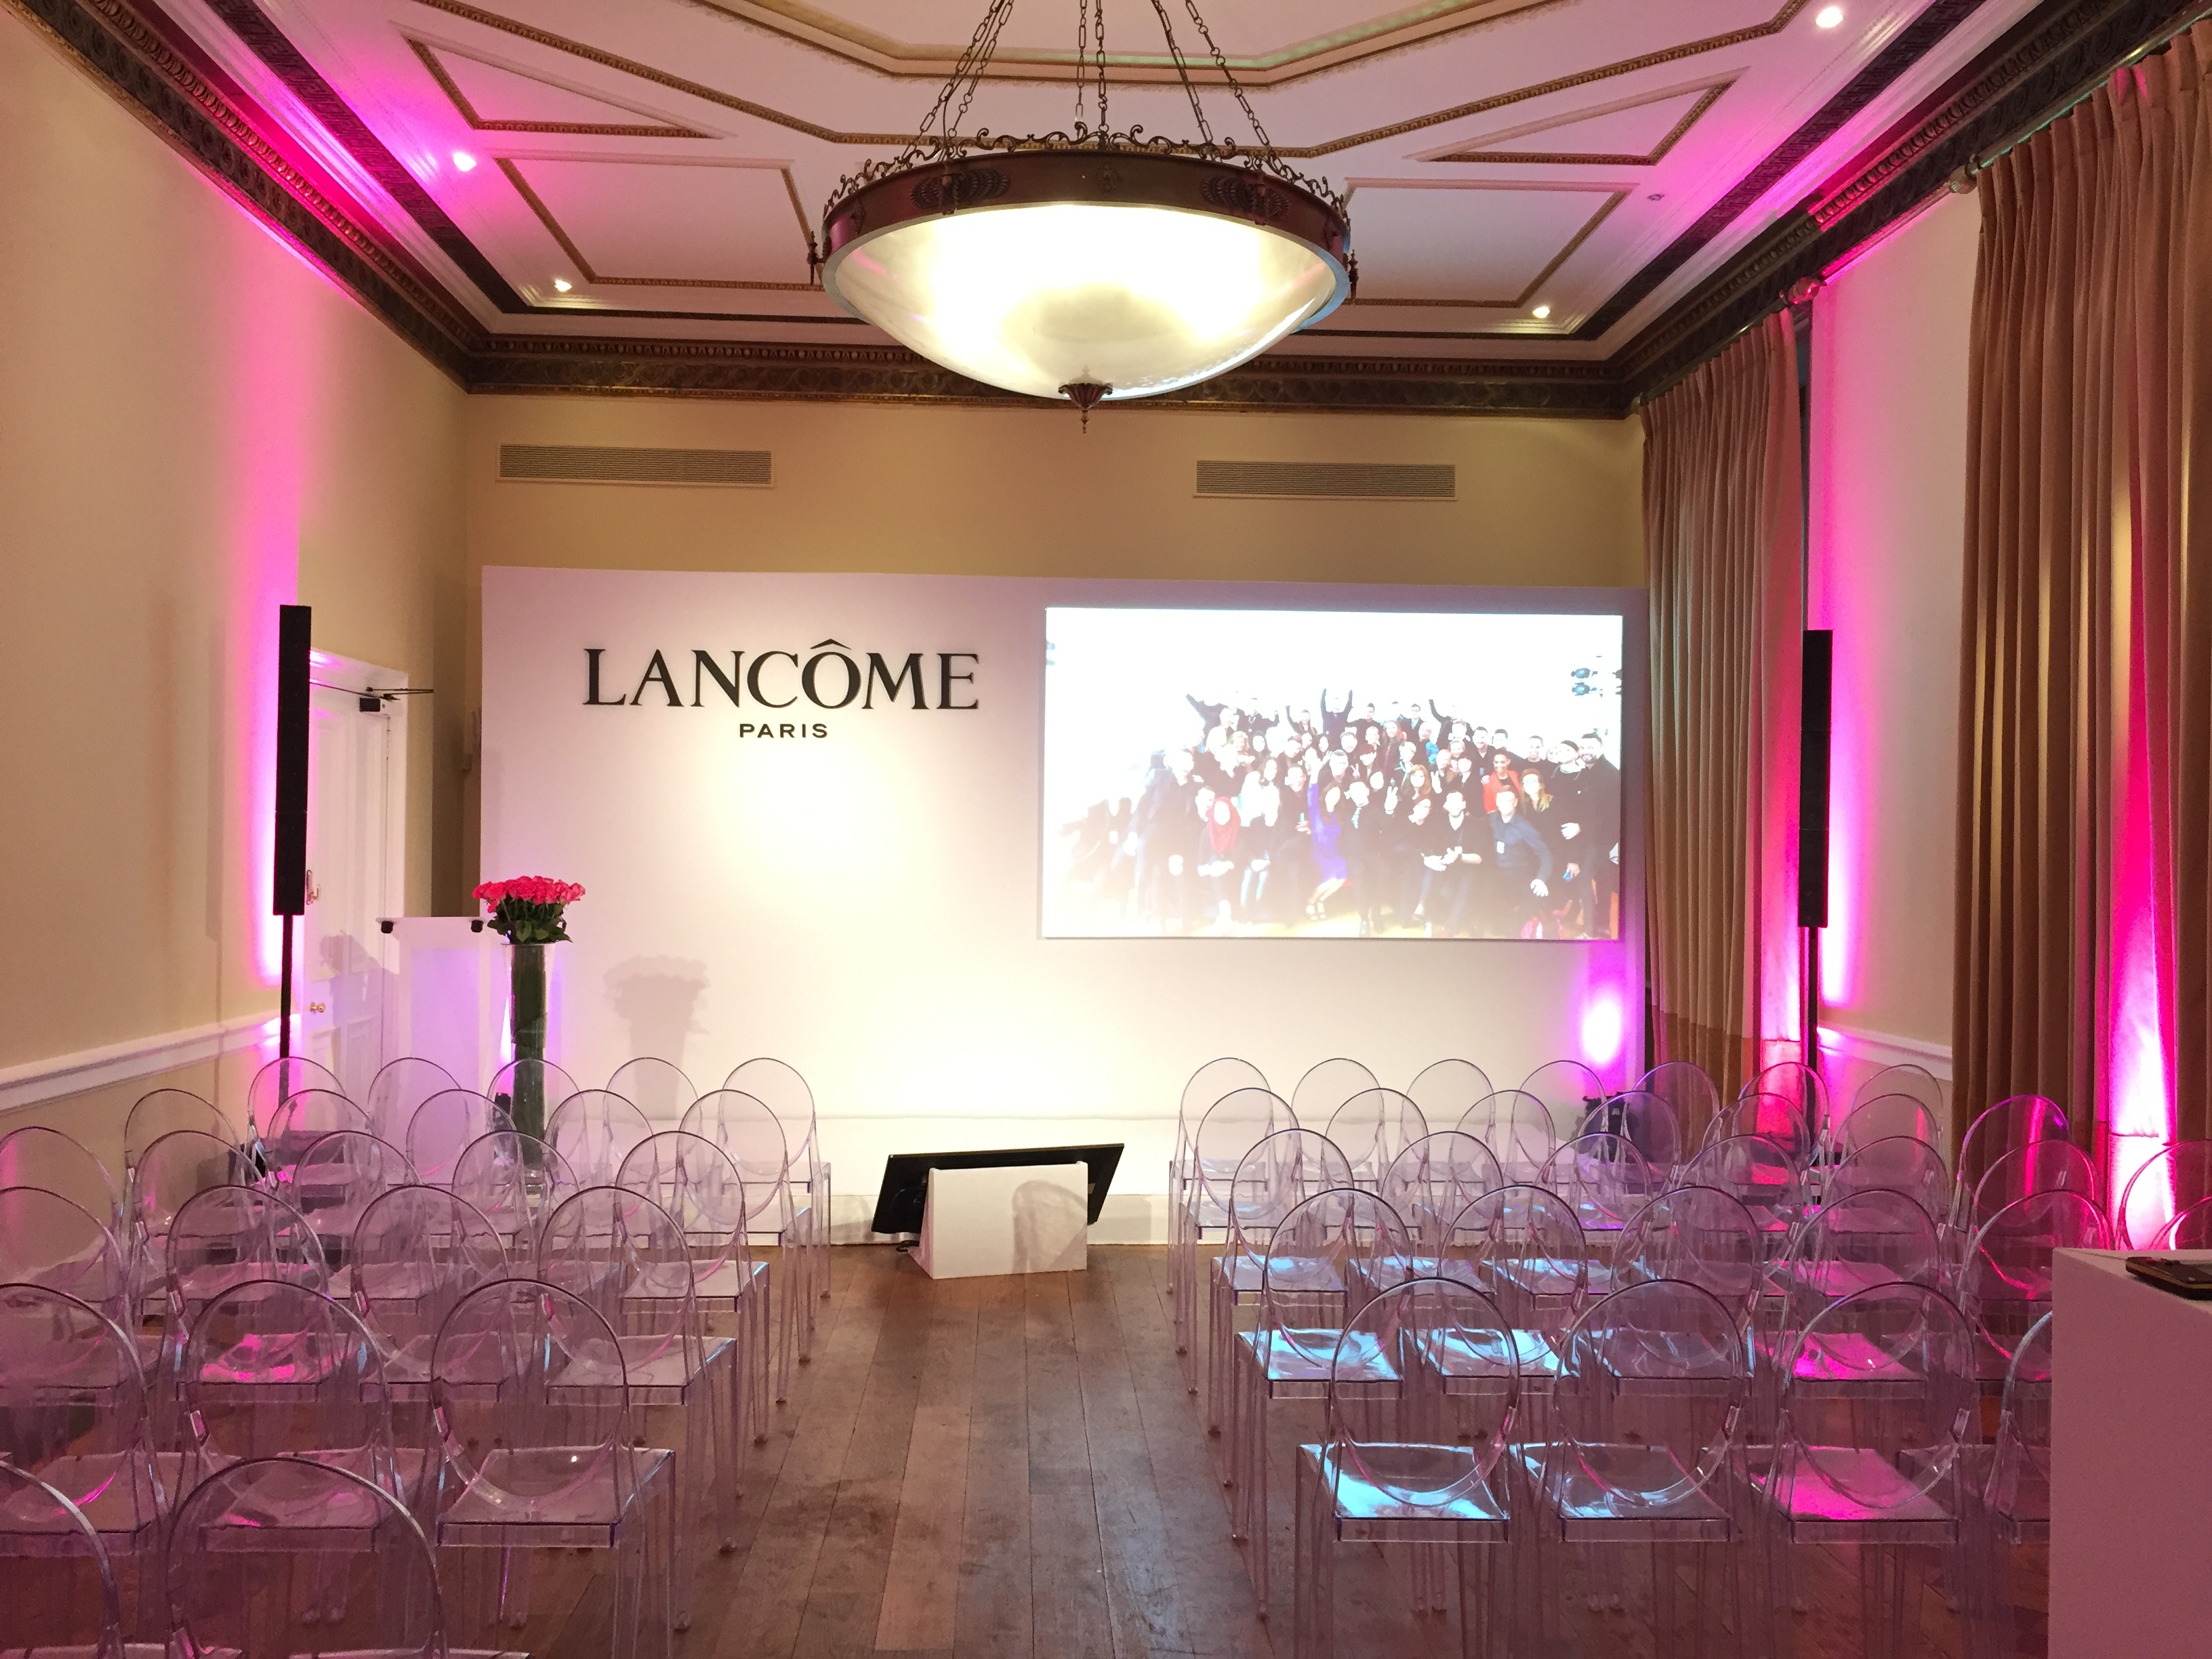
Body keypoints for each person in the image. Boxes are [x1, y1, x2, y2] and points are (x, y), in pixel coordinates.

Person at [1487, 785, 1553, 937]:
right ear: (1497, 802)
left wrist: (1541, 879)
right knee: (1483, 889)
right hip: (1497, 871)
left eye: (1509, 800)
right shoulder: (1490, 819)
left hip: (1519, 872)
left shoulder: (1525, 827)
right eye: (1501, 800)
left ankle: (1513, 928)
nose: (1504, 803)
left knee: (1538, 895)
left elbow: (1545, 855)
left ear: (1516, 802)